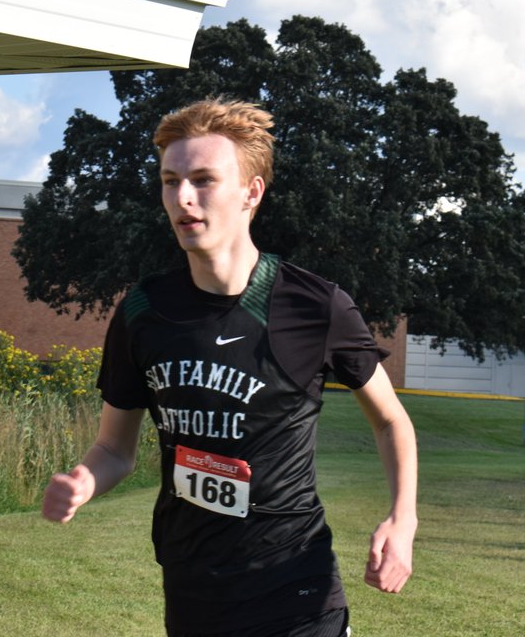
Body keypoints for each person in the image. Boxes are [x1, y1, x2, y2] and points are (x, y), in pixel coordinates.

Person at [42, 98, 418, 637]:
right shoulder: (142, 312)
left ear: (251, 192)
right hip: (191, 588)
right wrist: (83, 481)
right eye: (170, 181)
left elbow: (390, 420)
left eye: (203, 180)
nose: (183, 197)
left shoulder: (315, 306)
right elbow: (114, 450)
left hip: (295, 590)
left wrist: (402, 520)